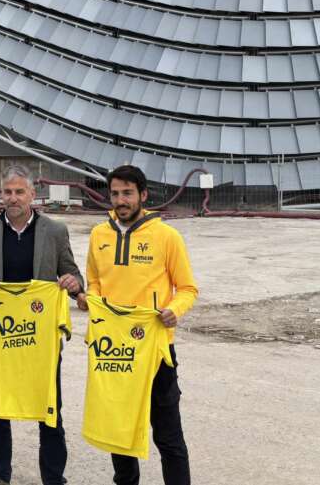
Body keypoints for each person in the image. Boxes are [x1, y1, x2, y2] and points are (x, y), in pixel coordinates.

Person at [0, 164, 84, 485]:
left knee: (49, 409)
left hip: (40, 339)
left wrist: (73, 283)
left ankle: (54, 477)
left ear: (32, 194)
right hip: (0, 337)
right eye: (7, 192)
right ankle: (0, 475)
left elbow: (73, 272)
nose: (12, 198)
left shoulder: (54, 230)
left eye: (19, 192)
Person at [81, 165, 198, 485]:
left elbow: (188, 288)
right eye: (115, 193)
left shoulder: (166, 236)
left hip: (155, 349)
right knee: (120, 432)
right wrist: (89, 301)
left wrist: (174, 309)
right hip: (115, 350)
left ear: (143, 195)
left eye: (128, 193)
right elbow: (94, 283)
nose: (121, 200)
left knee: (168, 435)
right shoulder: (98, 235)